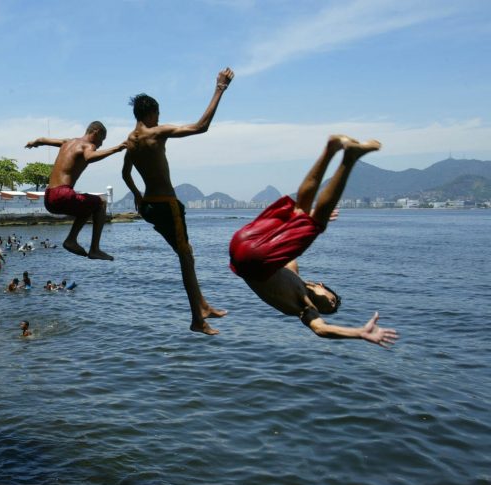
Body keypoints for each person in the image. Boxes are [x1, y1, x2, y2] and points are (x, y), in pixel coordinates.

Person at [229, 135, 399, 348]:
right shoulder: (293, 273)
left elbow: (320, 329)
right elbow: (291, 246)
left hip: (246, 253)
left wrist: (359, 333)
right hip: (245, 244)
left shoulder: (304, 306)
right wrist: (308, 220)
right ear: (321, 285)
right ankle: (333, 150)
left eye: (330, 309)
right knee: (302, 211)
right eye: (332, 300)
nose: (329, 305)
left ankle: (345, 155)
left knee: (313, 221)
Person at [122, 67, 234, 335]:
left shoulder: (130, 141)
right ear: (152, 113)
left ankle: (203, 305)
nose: (159, 118)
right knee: (186, 257)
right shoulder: (156, 132)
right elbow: (200, 127)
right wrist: (220, 88)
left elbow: (125, 173)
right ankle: (197, 318)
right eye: (158, 114)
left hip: (149, 206)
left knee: (187, 254)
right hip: (166, 204)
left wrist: (137, 195)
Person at [26, 121, 127, 260]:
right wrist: (117, 149)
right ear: (95, 132)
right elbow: (89, 157)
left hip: (49, 197)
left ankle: (71, 240)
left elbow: (43, 140)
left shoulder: (68, 142)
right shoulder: (88, 146)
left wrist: (34, 142)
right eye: (102, 140)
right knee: (101, 203)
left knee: (87, 207)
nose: (101, 145)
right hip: (63, 194)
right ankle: (94, 249)